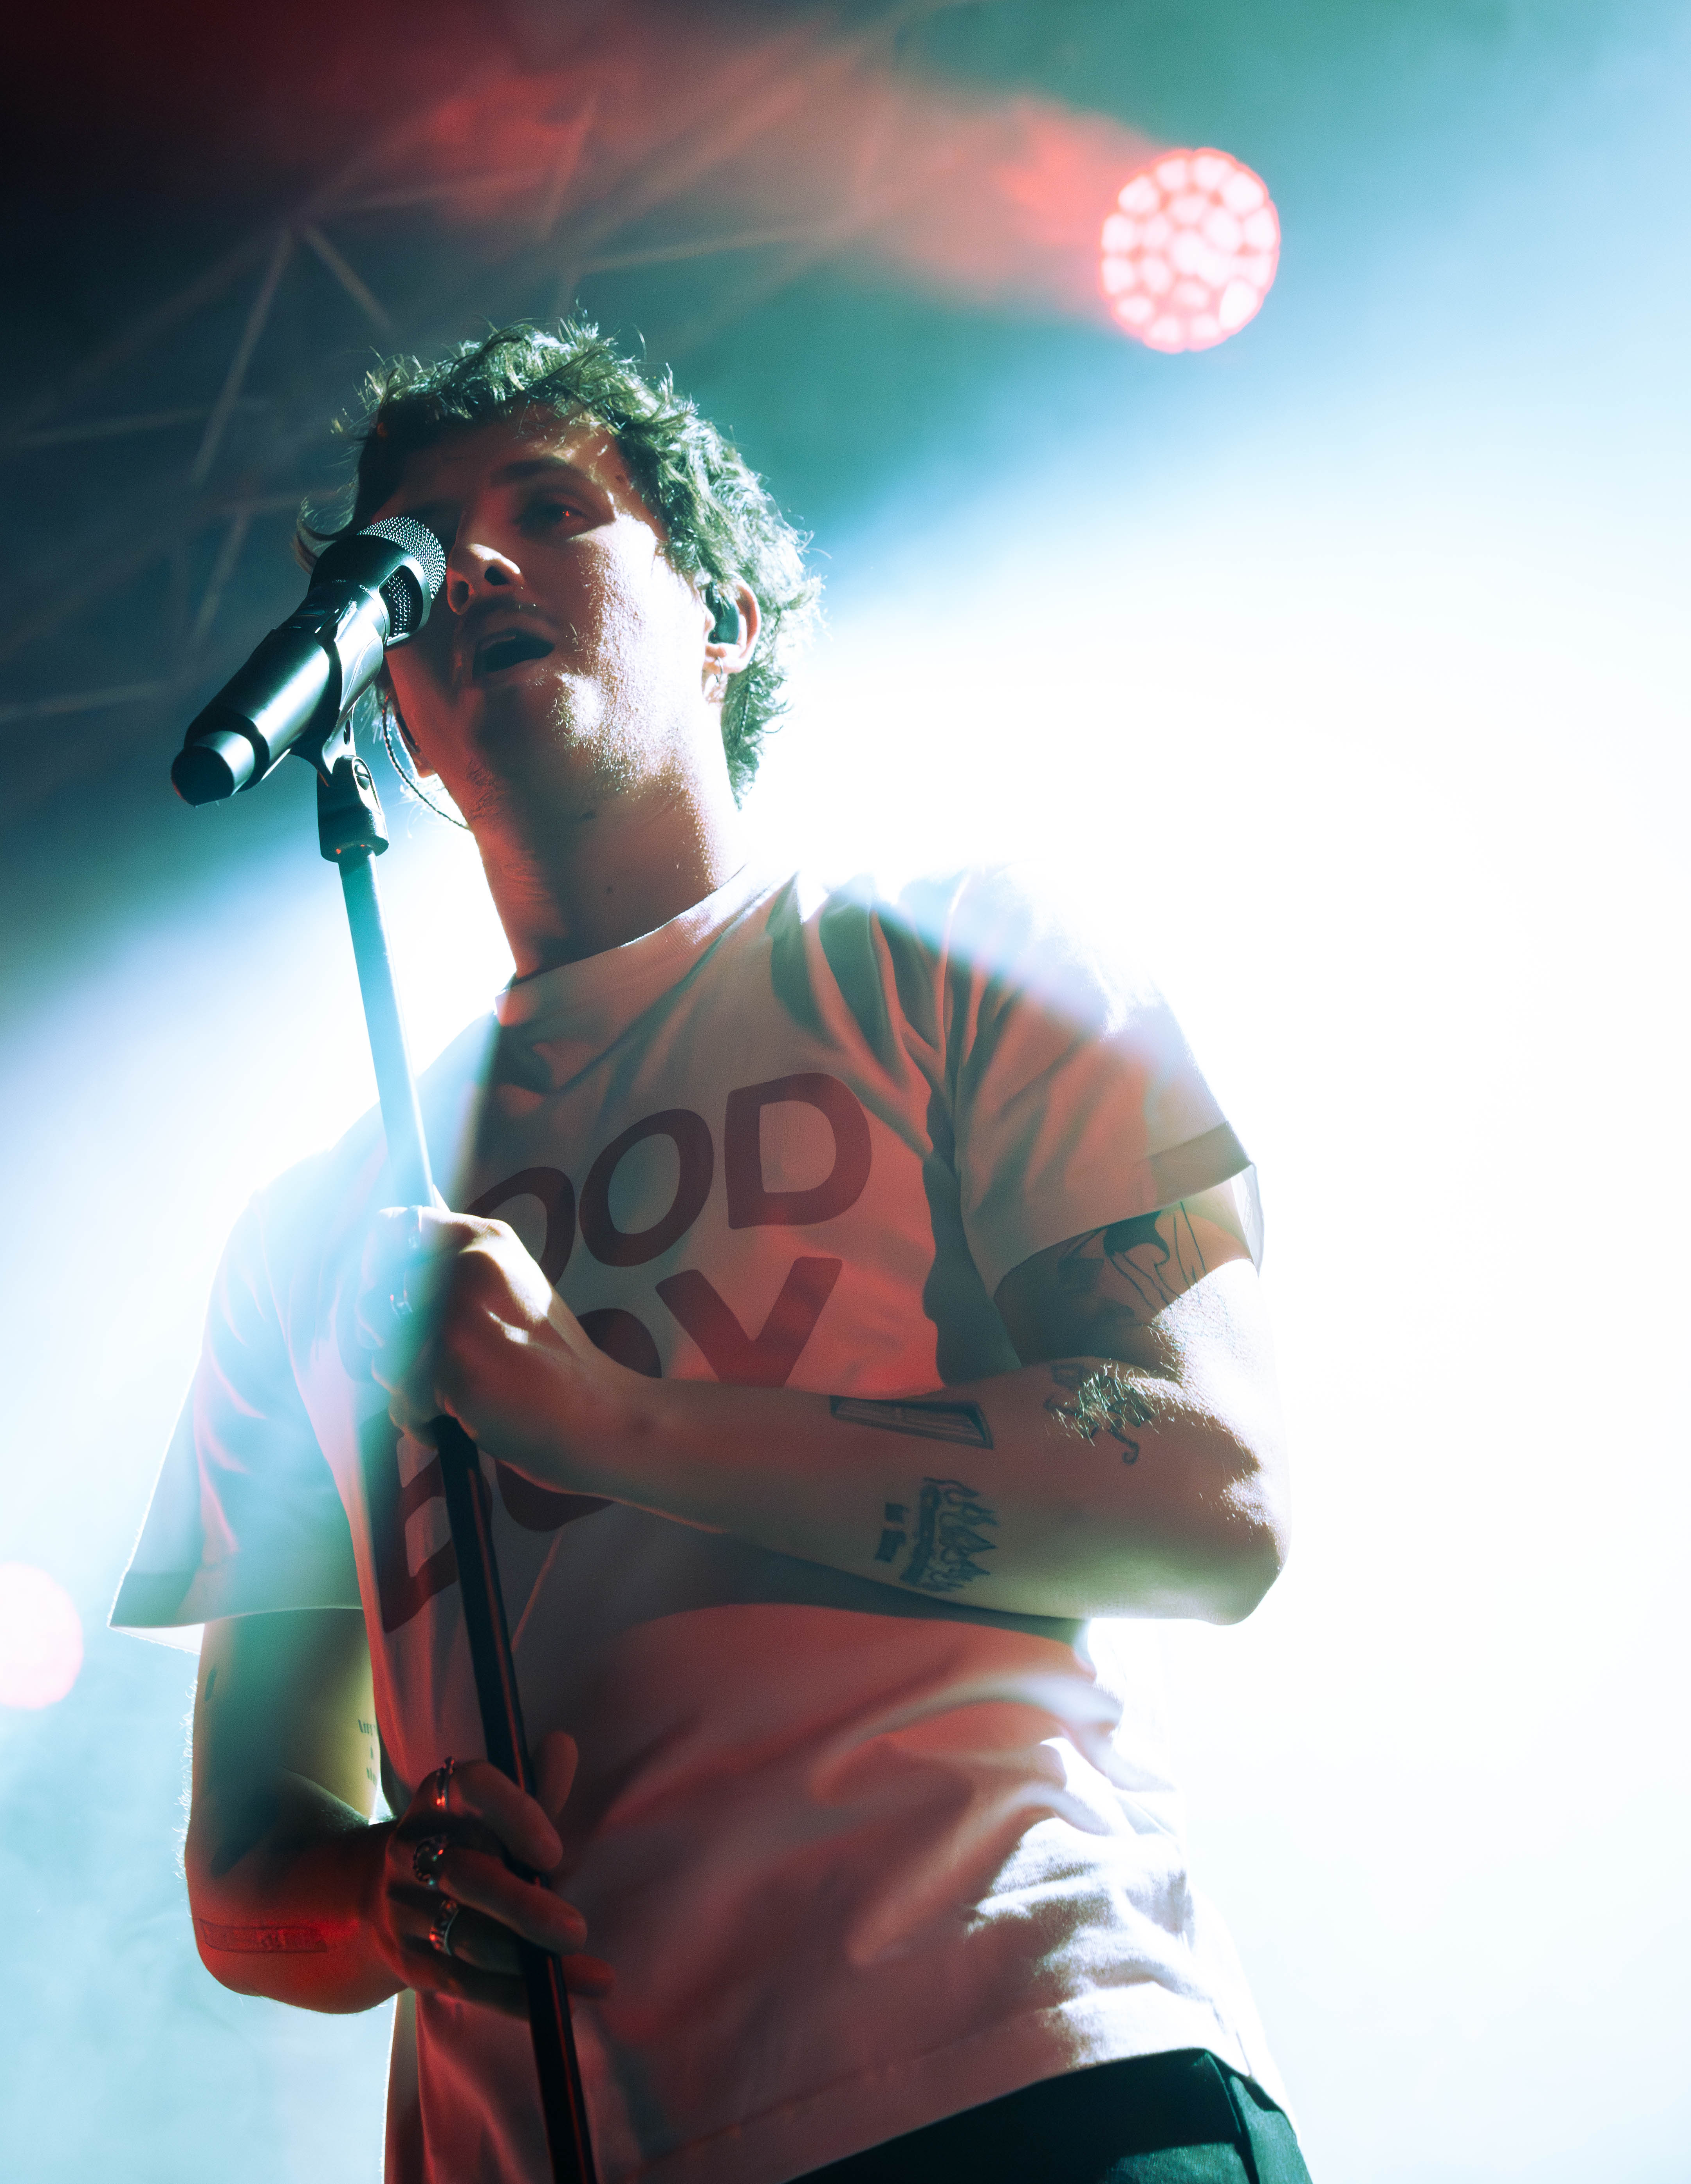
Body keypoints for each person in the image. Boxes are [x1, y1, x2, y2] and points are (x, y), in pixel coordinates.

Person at [115, 321, 1312, 2184]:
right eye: (416, 548)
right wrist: (378, 1902)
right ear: (392, 710)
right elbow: (242, 1882)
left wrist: (601, 1418)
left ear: (725, 617)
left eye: (549, 507)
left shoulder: (957, 951)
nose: (473, 564)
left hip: (1018, 2081)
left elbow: (1207, 1494)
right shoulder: (307, 1232)